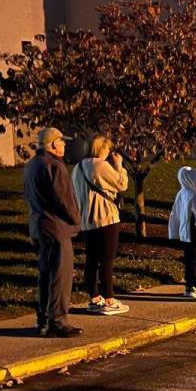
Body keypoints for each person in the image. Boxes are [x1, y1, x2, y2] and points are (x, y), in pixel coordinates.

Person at [23, 128, 83, 338]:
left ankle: (43, 319)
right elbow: (64, 200)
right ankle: (58, 320)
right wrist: (77, 220)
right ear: (53, 145)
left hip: (39, 226)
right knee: (60, 276)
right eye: (62, 142)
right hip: (56, 228)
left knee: (45, 274)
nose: (65, 145)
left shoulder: (31, 165)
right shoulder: (54, 166)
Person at [72, 134, 130, 314]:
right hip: (105, 217)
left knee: (91, 259)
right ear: (101, 148)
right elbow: (121, 184)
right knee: (107, 260)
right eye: (108, 149)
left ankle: (94, 297)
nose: (109, 153)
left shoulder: (77, 168)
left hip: (87, 220)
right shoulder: (99, 165)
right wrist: (120, 166)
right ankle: (109, 299)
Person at [168, 166, 196, 297]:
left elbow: (175, 212)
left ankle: (189, 285)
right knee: (195, 257)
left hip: (184, 229)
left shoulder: (181, 192)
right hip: (194, 229)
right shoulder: (194, 195)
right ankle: (194, 286)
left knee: (188, 257)